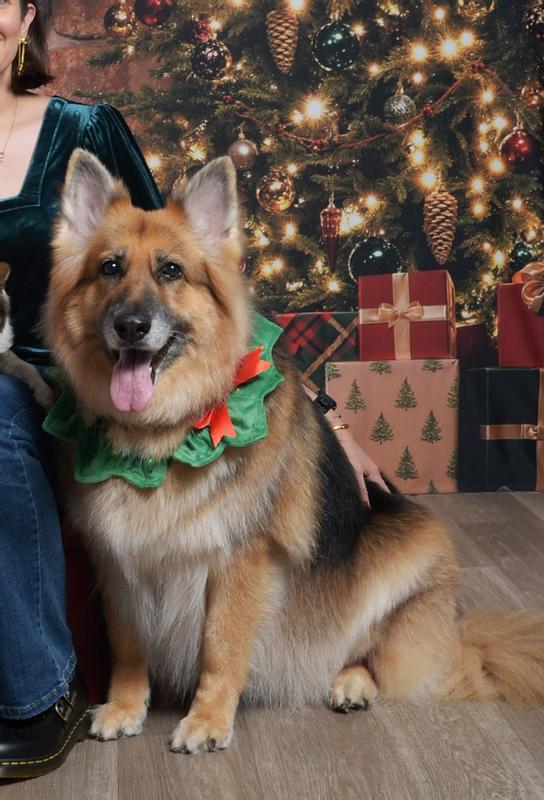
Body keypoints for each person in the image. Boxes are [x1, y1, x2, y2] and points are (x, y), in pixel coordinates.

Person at [0, 0, 387, 781]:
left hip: (66, 389)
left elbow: (187, 255)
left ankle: (40, 699)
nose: (132, 298)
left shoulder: (81, 130)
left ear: (24, 16)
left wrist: (324, 413)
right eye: (111, 273)